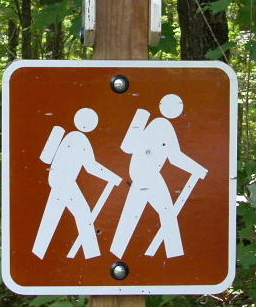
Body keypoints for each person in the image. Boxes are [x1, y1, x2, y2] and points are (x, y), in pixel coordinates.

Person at [110, 94, 207, 258]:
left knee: (131, 214)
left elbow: (173, 156)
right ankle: (175, 255)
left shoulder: (156, 124)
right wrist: (199, 170)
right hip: (147, 174)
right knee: (167, 212)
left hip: (139, 173)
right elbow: (175, 157)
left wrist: (197, 169)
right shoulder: (163, 125)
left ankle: (115, 252)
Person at [32, 108, 121, 259]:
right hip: (64, 182)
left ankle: (37, 254)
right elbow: (91, 166)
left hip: (58, 180)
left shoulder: (71, 136)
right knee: (84, 215)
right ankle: (92, 255)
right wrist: (114, 177)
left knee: (51, 218)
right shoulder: (79, 138)